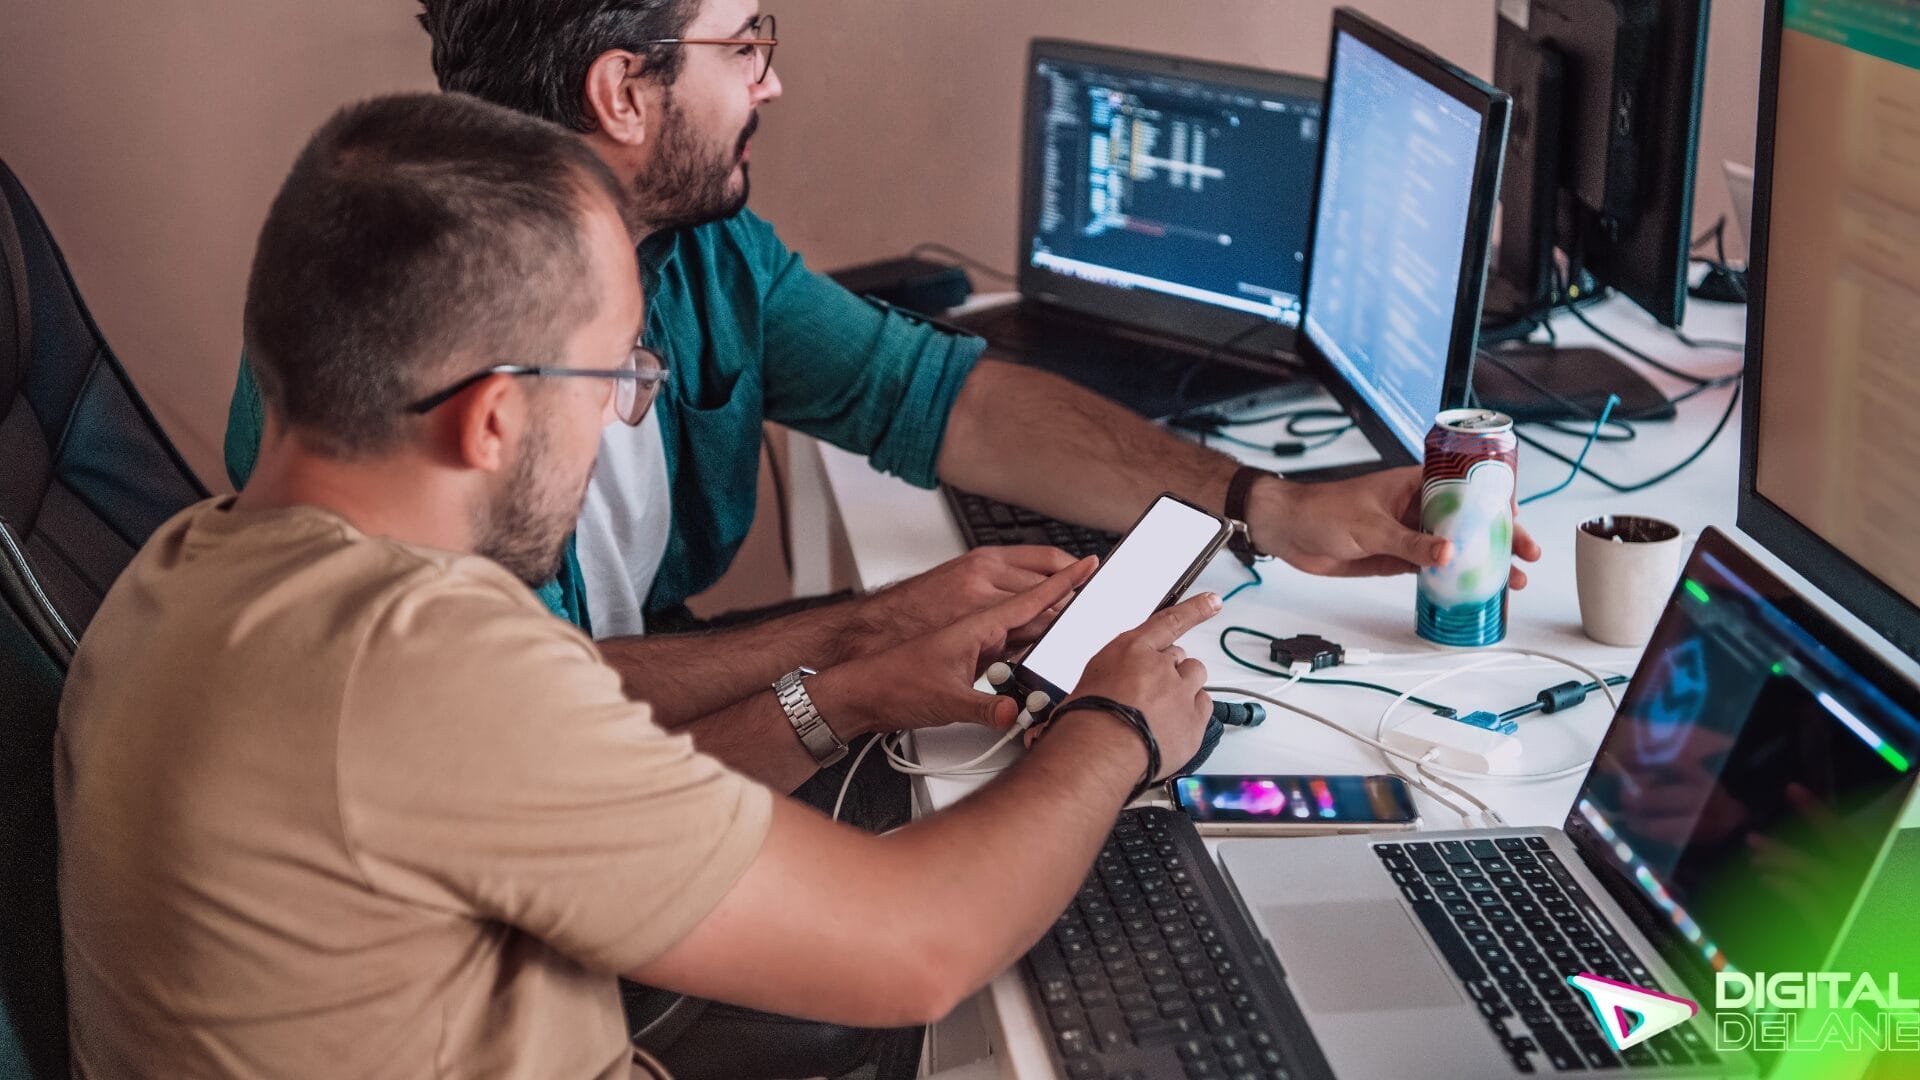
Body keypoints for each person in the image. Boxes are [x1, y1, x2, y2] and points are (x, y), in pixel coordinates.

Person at [57, 91, 1220, 1079]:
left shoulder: (198, 572)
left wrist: (854, 688)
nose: (630, 406)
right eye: (618, 374)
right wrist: (1117, 725)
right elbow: (918, 951)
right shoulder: (421, 674)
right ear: (494, 418)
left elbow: (575, 796)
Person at [220, 0, 1541, 731]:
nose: (772, 84)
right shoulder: (401, 340)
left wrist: (1258, 501)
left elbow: (931, 390)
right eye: (747, 44)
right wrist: (874, 637)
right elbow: (497, 705)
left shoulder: (700, 252)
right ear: (625, 92)